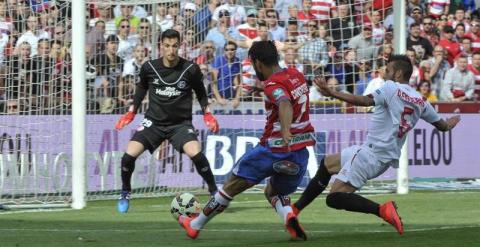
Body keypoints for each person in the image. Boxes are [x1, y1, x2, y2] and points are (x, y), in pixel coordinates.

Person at [291, 55, 461, 235]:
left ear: (398, 73)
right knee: (327, 164)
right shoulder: (421, 100)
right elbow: (443, 126)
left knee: (334, 198)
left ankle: (383, 210)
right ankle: (295, 210)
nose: (384, 73)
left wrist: (331, 92)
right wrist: (451, 122)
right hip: (379, 155)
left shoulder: (390, 88)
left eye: (387, 70)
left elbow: (365, 101)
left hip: (371, 155)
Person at [179, 41, 316, 240]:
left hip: (273, 149)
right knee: (273, 190)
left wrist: (285, 130)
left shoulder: (272, 85)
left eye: (253, 65)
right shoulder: (296, 74)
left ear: (259, 63)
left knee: (230, 186)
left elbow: (284, 102)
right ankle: (288, 215)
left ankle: (195, 224)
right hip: (300, 152)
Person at [114, 29, 220, 213]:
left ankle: (214, 192)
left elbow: (201, 93)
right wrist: (131, 112)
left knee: (196, 153)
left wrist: (207, 114)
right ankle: (125, 192)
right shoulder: (149, 67)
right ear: (160, 46)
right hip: (153, 123)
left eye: (174, 46)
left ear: (179, 46)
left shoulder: (190, 69)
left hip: (180, 124)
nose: (171, 50)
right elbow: (141, 89)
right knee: (128, 156)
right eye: (167, 46)